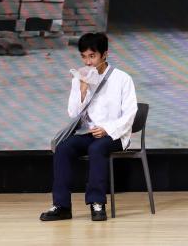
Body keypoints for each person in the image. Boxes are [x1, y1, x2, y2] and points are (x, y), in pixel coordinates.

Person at [40, 32, 138, 222]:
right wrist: (82, 89)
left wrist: (107, 129)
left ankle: (97, 202)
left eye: (92, 56)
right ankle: (62, 206)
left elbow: (130, 113)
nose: (87, 62)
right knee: (63, 148)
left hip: (115, 135)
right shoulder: (79, 78)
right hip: (89, 133)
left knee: (97, 148)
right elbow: (73, 113)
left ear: (104, 54)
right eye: (84, 57)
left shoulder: (122, 78)